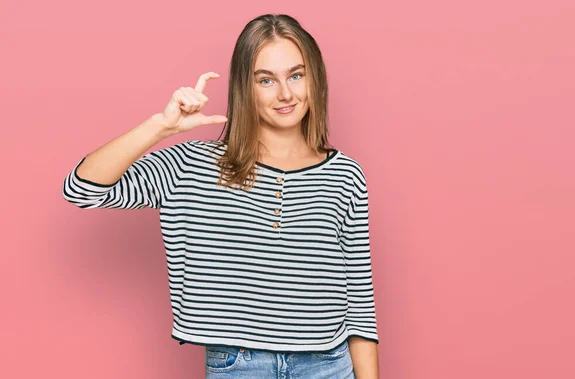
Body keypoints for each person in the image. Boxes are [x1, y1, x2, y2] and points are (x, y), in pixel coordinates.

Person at [62, 13, 379, 379]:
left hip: (328, 364)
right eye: (266, 80)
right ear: (246, 86)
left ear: (314, 79)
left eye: (296, 75)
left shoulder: (344, 174)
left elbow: (359, 301)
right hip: (240, 366)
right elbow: (82, 188)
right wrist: (160, 127)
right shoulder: (192, 166)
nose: (285, 94)